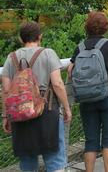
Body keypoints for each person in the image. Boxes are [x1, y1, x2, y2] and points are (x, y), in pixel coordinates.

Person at [1, 21, 72, 172]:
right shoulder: (48, 53)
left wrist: (6, 116)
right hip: (47, 111)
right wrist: (66, 108)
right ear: (40, 36)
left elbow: (6, 90)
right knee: (54, 157)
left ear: (21, 39)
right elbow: (58, 83)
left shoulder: (11, 57)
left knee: (27, 159)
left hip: (20, 114)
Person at [68, 12, 108, 172]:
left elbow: (70, 71)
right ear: (105, 27)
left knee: (91, 141)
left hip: (86, 98)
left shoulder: (80, 47)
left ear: (87, 27)